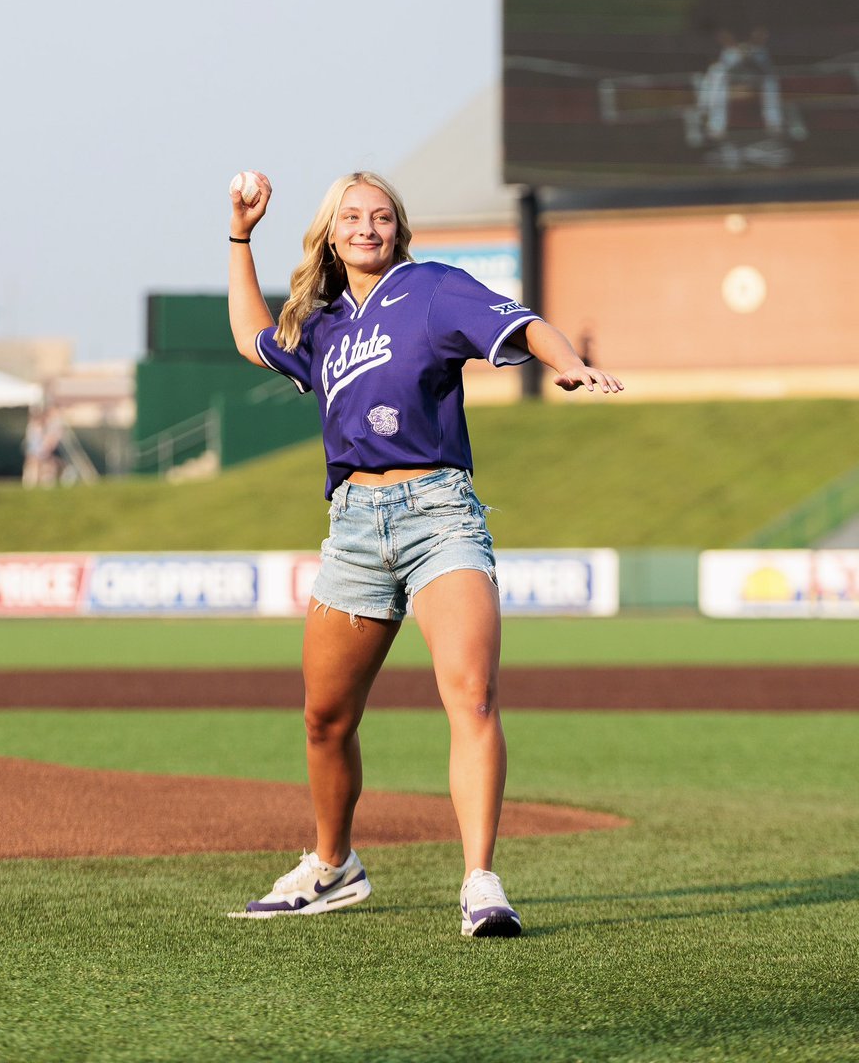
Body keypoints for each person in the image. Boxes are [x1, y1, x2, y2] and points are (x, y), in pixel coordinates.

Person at [227, 170, 623, 937]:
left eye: (381, 216)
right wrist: (240, 234)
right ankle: (333, 864)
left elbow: (528, 321)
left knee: (471, 694)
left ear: (398, 231)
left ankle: (481, 881)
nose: (367, 227)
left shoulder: (434, 289)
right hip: (353, 527)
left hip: (439, 514)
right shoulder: (321, 320)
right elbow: (252, 338)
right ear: (331, 234)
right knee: (324, 720)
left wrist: (565, 359)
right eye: (352, 217)